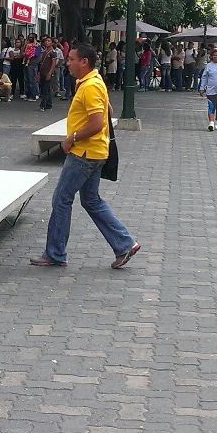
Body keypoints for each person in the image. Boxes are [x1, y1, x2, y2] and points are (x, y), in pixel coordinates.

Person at [30, 43, 138, 268]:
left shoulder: (89, 86)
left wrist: (72, 138)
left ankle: (55, 253)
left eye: (71, 59)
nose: (67, 63)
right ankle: (124, 244)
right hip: (96, 151)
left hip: (84, 152)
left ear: (84, 62)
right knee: (91, 200)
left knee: (62, 199)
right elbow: (108, 111)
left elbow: (98, 123)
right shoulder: (96, 82)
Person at [39, 38, 61, 111]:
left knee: (45, 89)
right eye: (46, 41)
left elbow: (53, 64)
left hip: (48, 72)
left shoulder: (53, 52)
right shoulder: (44, 52)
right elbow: (41, 62)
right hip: (42, 72)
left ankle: (43, 104)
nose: (47, 42)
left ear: (52, 43)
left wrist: (50, 73)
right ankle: (49, 105)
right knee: (46, 89)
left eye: (49, 41)